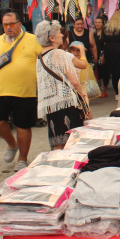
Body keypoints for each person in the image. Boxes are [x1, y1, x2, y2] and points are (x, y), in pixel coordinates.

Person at [0, 10, 43, 170]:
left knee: (23, 125)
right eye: (5, 25)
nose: (8, 27)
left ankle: (22, 158)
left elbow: (45, 58)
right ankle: (12, 144)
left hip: (25, 92)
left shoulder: (33, 40)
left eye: (11, 24)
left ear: (19, 24)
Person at [35, 21, 88, 149]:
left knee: (57, 142)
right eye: (59, 33)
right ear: (51, 38)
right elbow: (74, 81)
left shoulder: (40, 57)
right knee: (73, 142)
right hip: (66, 103)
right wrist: (82, 96)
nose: (62, 35)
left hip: (51, 105)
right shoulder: (59, 54)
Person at [92, 16, 109, 97]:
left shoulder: (105, 33)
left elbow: (106, 45)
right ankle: (99, 88)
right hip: (96, 55)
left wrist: (103, 56)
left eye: (99, 22)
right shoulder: (93, 33)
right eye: (96, 22)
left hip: (104, 54)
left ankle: (104, 90)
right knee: (98, 72)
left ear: (103, 24)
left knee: (105, 72)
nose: (97, 24)